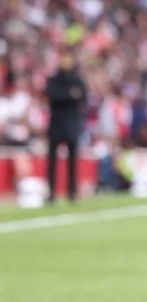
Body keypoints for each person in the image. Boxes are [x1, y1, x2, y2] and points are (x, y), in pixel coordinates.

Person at [45, 51, 87, 204]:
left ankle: (71, 192)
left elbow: (83, 96)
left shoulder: (77, 79)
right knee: (52, 161)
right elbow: (52, 95)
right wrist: (70, 95)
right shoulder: (54, 79)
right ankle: (51, 193)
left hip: (71, 124)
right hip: (56, 124)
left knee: (72, 161)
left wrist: (67, 96)